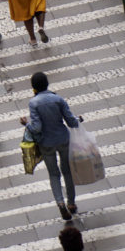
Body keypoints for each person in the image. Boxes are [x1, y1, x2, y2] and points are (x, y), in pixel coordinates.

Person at [19, 72, 80, 220]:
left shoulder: (33, 103)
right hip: (63, 140)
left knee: (54, 174)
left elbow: (37, 128)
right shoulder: (58, 99)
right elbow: (72, 122)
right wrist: (79, 119)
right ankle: (71, 203)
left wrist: (26, 123)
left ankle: (60, 203)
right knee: (67, 171)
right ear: (47, 83)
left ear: (33, 87)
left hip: (46, 144)